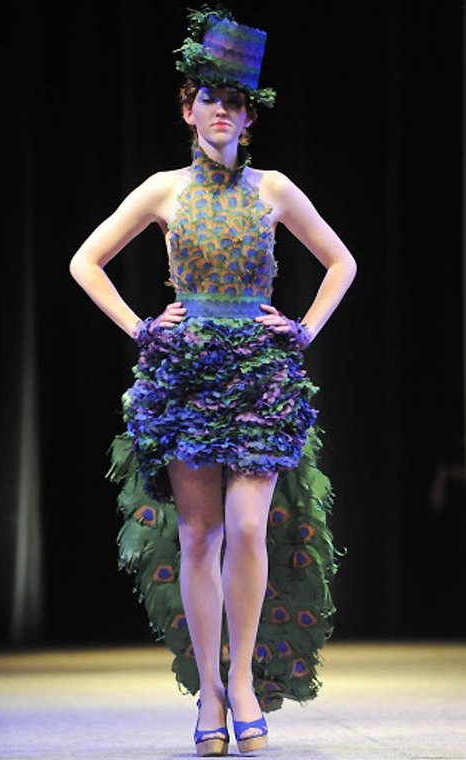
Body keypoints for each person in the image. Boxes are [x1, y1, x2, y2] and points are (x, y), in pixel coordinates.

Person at [69, 5, 357, 757]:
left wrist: (303, 329)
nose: (220, 111)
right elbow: (85, 261)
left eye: (233, 101)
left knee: (249, 528)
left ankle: (241, 681)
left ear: (248, 117)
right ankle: (208, 689)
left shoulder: (274, 188)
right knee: (198, 535)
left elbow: (341, 262)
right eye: (208, 98)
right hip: (186, 375)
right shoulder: (163, 189)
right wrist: (141, 327)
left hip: (259, 374)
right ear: (188, 109)